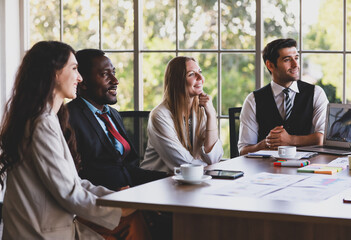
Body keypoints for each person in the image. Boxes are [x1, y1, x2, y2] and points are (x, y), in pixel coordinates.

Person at [0, 41, 131, 239]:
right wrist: (119, 210)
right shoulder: (41, 123)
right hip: (40, 233)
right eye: (74, 68)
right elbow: (68, 192)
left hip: (55, 227)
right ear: (54, 73)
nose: (79, 78)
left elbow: (75, 183)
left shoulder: (47, 118)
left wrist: (115, 198)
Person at [67, 49, 170, 240]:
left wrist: (168, 178)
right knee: (144, 222)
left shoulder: (112, 115)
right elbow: (73, 176)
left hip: (129, 199)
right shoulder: (68, 117)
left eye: (113, 73)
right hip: (100, 207)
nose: (115, 80)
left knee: (174, 216)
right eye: (105, 74)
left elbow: (128, 168)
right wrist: (117, 196)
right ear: (83, 82)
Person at [238, 38, 329, 155]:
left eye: (296, 58)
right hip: (266, 169)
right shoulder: (253, 100)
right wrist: (266, 143)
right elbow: (243, 150)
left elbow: (322, 139)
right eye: (287, 60)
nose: (295, 64)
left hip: (307, 167)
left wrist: (290, 140)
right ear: (270, 65)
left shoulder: (316, 93)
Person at [140, 56, 223, 173]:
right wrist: (208, 167)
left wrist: (211, 115)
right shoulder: (159, 116)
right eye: (191, 74)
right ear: (177, 82)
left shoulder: (201, 109)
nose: (201, 78)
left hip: (190, 181)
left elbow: (214, 158)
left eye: (200, 72)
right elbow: (184, 164)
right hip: (158, 183)